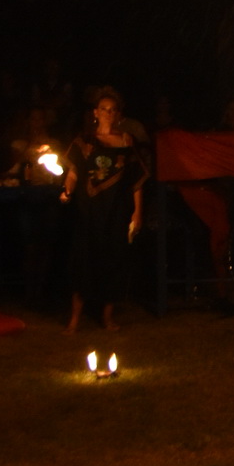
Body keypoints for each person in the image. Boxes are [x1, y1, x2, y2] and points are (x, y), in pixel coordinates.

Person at [60, 87, 147, 333]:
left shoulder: (127, 143)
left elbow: (137, 182)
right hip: (89, 212)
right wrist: (66, 191)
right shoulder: (84, 141)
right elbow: (73, 173)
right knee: (82, 261)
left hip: (116, 212)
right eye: (104, 109)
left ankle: (107, 318)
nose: (108, 113)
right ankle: (75, 319)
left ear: (118, 114)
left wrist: (137, 213)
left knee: (113, 262)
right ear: (96, 113)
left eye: (113, 110)